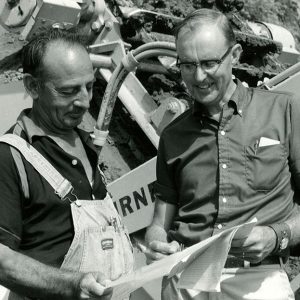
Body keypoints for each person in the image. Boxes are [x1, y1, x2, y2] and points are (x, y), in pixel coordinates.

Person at [145, 8, 300, 300]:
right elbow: (159, 224)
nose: (198, 76)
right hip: (185, 279)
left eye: (209, 63)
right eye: (188, 65)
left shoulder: (284, 111)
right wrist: (156, 244)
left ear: (236, 54)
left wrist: (277, 236)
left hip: (257, 280)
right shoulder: (173, 136)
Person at [0, 28, 133, 299]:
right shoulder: (11, 157)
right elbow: (2, 261)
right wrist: (72, 284)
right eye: (68, 91)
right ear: (32, 86)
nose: (84, 101)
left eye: (90, 86)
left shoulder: (87, 146)